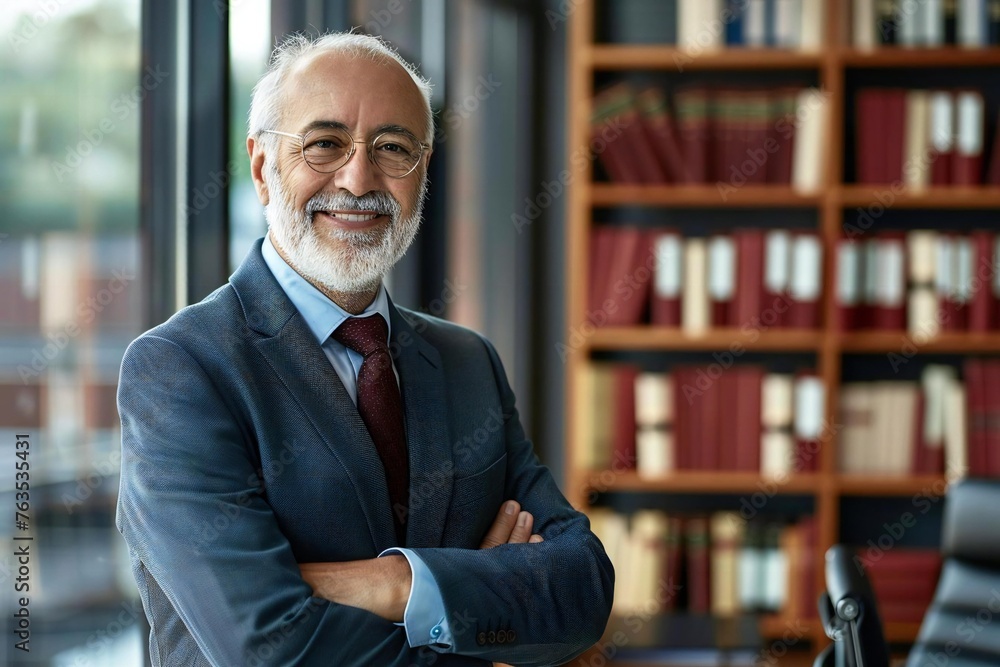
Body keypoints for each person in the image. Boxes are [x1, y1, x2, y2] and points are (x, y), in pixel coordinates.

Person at [115, 31, 613, 667]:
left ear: (423, 172)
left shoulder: (468, 363)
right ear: (263, 168)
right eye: (324, 145)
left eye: (393, 148)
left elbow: (584, 588)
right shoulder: (180, 368)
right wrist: (478, 613)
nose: (357, 178)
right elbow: (269, 648)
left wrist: (397, 583)